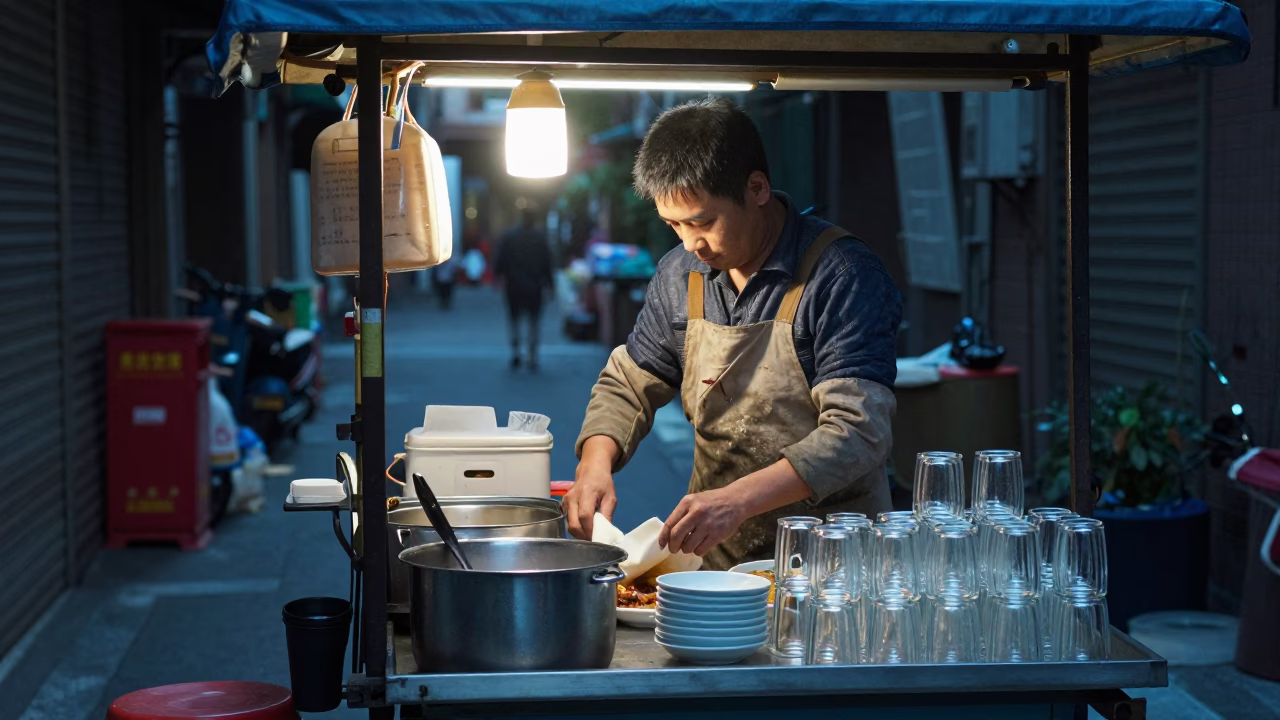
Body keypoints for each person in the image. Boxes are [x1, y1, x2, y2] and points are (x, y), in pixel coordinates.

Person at [563, 97, 903, 570]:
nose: (690, 244)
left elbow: (858, 431)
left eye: (703, 221)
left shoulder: (842, 276)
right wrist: (594, 465)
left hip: (835, 566)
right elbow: (629, 383)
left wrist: (737, 500)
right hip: (717, 563)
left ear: (757, 188)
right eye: (674, 225)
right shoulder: (680, 275)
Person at [494, 207, 554, 370]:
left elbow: (501, 259)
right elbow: (547, 263)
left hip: (513, 285)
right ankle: (532, 356)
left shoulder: (510, 236)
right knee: (534, 321)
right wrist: (550, 285)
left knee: (514, 319)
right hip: (535, 285)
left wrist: (497, 277)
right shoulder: (540, 238)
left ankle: (515, 352)